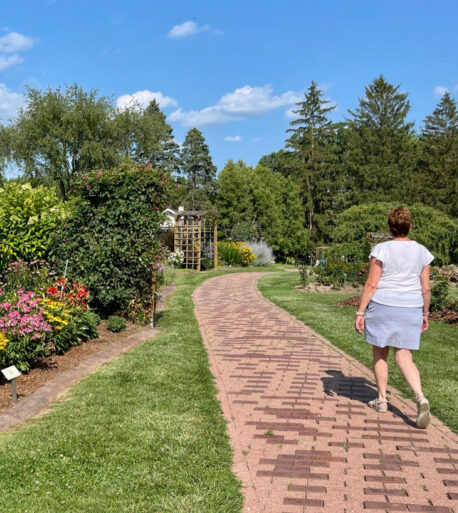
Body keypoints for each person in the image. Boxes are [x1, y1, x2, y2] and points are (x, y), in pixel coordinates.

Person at [355, 206, 434, 428]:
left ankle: (381, 399)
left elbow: (371, 284)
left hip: (383, 305)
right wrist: (425, 313)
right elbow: (426, 287)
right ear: (409, 227)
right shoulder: (422, 251)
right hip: (410, 307)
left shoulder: (382, 249)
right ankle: (420, 397)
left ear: (390, 228)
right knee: (404, 356)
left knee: (380, 352)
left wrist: (360, 311)